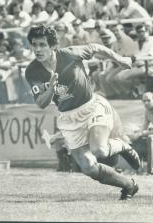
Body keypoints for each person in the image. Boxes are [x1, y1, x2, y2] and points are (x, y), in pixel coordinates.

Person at [25, 25, 140, 200]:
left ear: (53, 45)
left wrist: (119, 59)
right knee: (88, 167)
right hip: (68, 118)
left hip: (92, 107)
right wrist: (50, 89)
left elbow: (95, 47)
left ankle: (122, 145)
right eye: (34, 45)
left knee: (99, 151)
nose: (38, 49)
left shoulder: (70, 53)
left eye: (42, 44)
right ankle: (129, 185)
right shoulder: (32, 71)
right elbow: (41, 103)